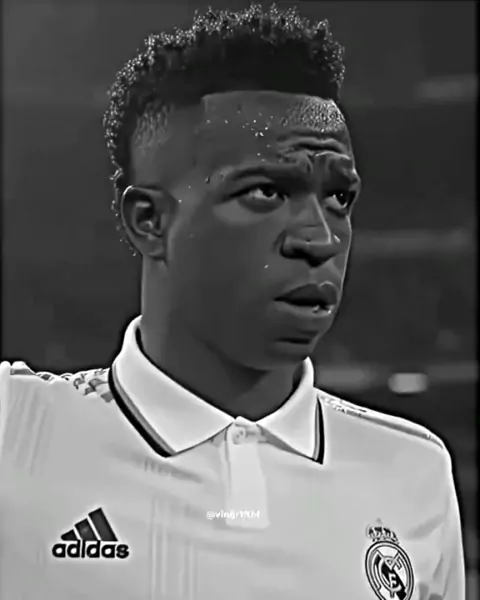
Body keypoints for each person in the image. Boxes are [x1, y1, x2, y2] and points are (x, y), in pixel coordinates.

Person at [0, 4, 465, 599]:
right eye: (266, 191)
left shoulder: (412, 472)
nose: (321, 238)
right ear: (149, 221)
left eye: (339, 199)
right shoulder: (15, 431)